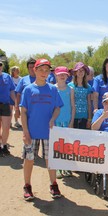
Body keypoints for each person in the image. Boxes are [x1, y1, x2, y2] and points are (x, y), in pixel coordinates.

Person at [20, 58, 63, 201]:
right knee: (29, 159)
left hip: (48, 132)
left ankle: (54, 184)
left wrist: (52, 118)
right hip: (31, 132)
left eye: (47, 70)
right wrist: (25, 131)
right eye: (41, 70)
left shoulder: (52, 89)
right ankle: (27, 186)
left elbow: (57, 107)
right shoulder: (28, 89)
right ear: (35, 70)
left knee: (50, 160)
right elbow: (23, 111)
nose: (44, 73)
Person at [54, 66, 75, 178]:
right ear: (55, 75)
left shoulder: (70, 89)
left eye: (64, 74)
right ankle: (58, 168)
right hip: (56, 121)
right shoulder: (52, 88)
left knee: (67, 145)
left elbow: (72, 106)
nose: (62, 76)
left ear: (67, 76)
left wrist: (71, 120)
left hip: (67, 121)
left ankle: (66, 167)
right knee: (57, 145)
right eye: (60, 74)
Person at [68, 62, 92, 129]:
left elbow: (89, 103)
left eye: (82, 70)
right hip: (72, 117)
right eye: (79, 70)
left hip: (84, 117)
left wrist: (89, 119)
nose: (80, 72)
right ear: (75, 72)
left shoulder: (88, 86)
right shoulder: (69, 86)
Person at [14, 58, 36, 128]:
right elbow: (18, 95)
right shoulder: (23, 80)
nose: (32, 69)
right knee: (26, 130)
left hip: (39, 107)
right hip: (25, 109)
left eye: (34, 67)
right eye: (30, 67)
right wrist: (17, 109)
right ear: (27, 68)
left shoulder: (43, 79)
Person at [0, 60, 16, 157]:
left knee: (6, 127)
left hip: (6, 104)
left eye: (0, 65)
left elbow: (12, 91)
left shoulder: (7, 77)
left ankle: (4, 145)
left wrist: (16, 104)